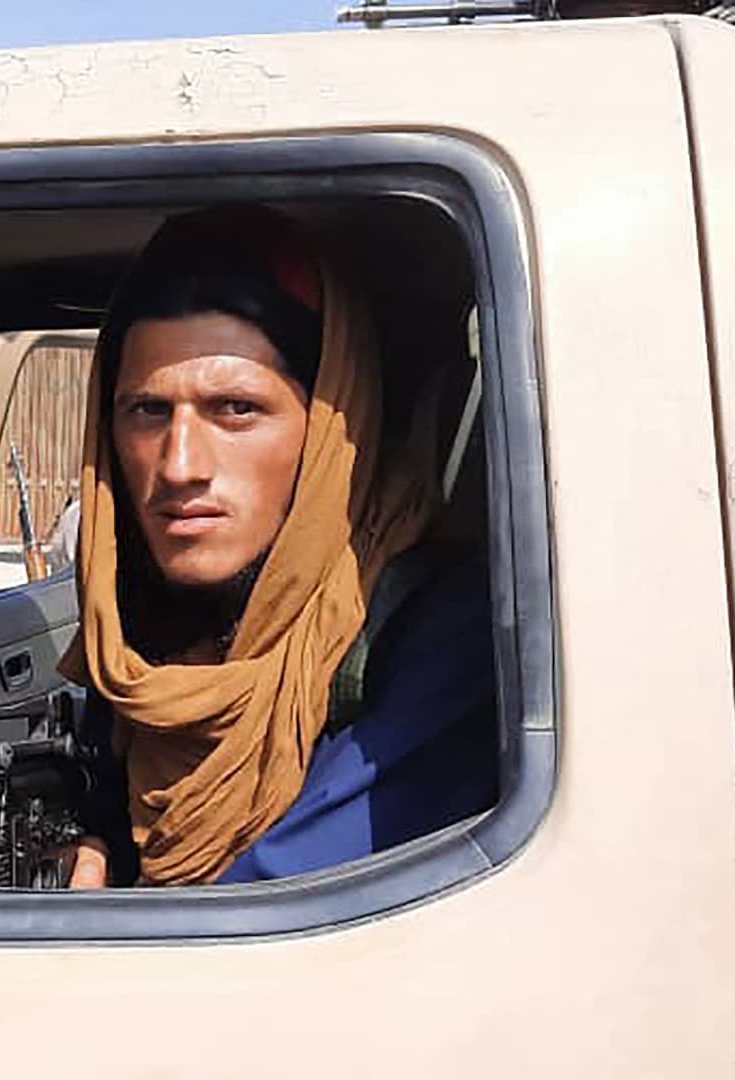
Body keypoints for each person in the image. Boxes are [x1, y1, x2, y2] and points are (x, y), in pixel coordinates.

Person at [63, 207, 498, 888]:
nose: (179, 465)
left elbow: (271, 901)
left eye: (236, 409)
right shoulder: (135, 645)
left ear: (330, 424)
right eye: (147, 411)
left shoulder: (439, 631)